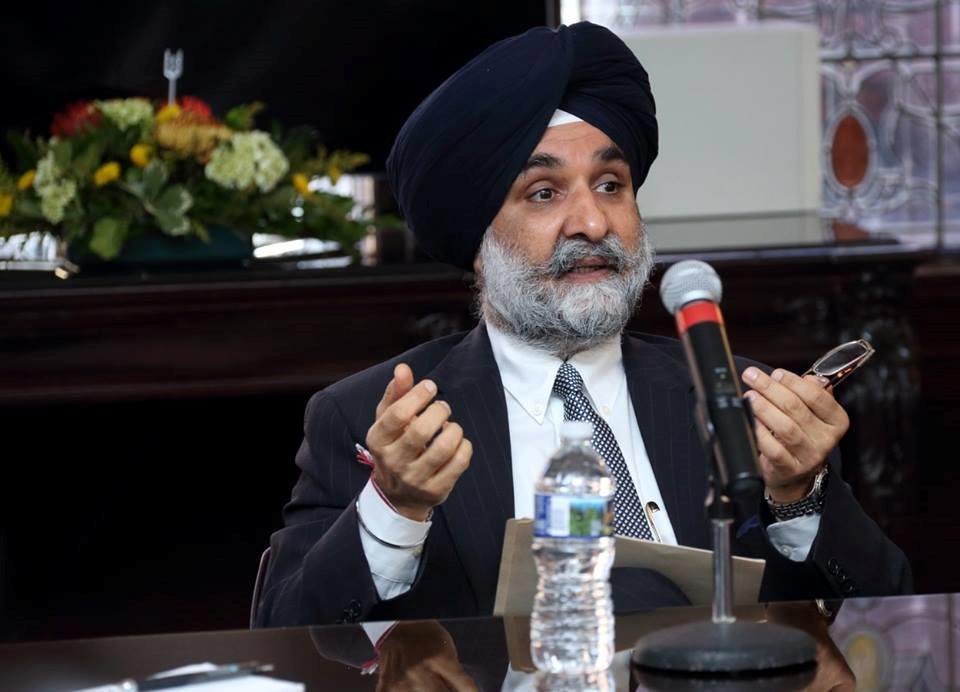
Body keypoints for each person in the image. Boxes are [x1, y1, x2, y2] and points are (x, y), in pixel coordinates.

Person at [256, 21, 910, 628]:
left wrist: (798, 496)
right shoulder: (370, 420)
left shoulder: (745, 403)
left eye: (610, 185)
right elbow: (284, 639)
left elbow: (891, 617)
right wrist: (393, 506)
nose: (593, 223)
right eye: (544, 193)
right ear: (479, 241)